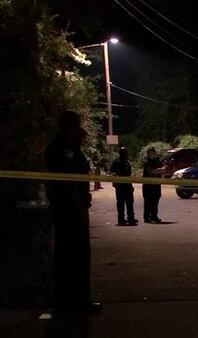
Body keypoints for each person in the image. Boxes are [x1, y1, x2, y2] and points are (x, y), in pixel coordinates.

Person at [45, 110, 101, 314]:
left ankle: (68, 301)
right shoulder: (64, 149)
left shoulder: (62, 147)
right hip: (69, 211)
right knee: (75, 257)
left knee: (67, 256)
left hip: (65, 210)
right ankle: (75, 302)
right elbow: (68, 184)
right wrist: (79, 209)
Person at [111, 147, 137, 226]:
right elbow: (112, 172)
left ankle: (131, 218)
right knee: (121, 203)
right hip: (120, 186)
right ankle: (121, 219)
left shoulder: (126, 162)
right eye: (124, 153)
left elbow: (128, 175)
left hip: (127, 185)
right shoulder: (116, 162)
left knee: (129, 202)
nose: (126, 154)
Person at [142, 147, 164, 224]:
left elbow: (162, 167)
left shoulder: (157, 161)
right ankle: (147, 217)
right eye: (149, 153)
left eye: (152, 153)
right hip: (148, 185)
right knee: (148, 201)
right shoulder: (146, 162)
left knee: (155, 200)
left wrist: (157, 160)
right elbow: (150, 171)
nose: (151, 154)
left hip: (156, 184)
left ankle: (154, 216)